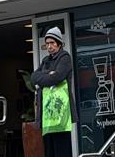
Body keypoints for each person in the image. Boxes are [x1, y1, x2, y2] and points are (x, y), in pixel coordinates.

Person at [30, 27, 76, 157]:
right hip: (47, 114)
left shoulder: (65, 57)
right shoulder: (46, 61)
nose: (49, 46)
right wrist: (47, 74)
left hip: (60, 112)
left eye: (52, 43)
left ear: (59, 44)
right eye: (47, 43)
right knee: (49, 151)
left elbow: (57, 77)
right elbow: (33, 77)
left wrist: (46, 77)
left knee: (62, 150)